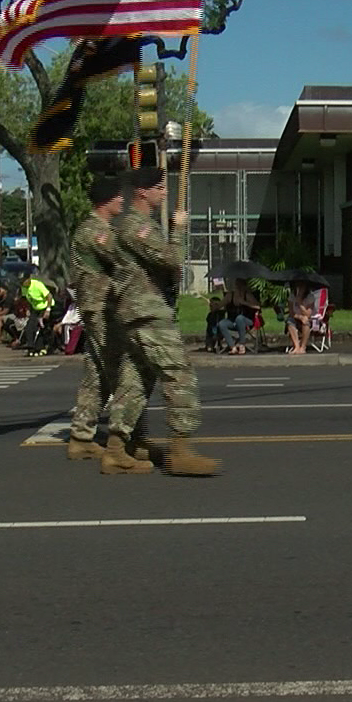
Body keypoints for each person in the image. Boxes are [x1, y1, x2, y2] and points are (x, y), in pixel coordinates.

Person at [105, 166, 221, 475]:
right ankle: (180, 450)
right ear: (142, 191)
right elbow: (171, 259)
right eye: (159, 186)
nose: (165, 191)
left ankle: (117, 448)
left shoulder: (138, 225)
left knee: (135, 381)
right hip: (146, 312)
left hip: (138, 312)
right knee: (179, 374)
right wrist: (179, 229)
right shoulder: (135, 226)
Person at [64, 176, 152, 473]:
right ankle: (127, 438)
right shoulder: (95, 232)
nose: (122, 202)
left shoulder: (98, 229)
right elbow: (124, 257)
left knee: (96, 375)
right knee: (124, 373)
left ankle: (81, 436)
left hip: (100, 307)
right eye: (118, 197)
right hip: (101, 309)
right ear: (105, 201)